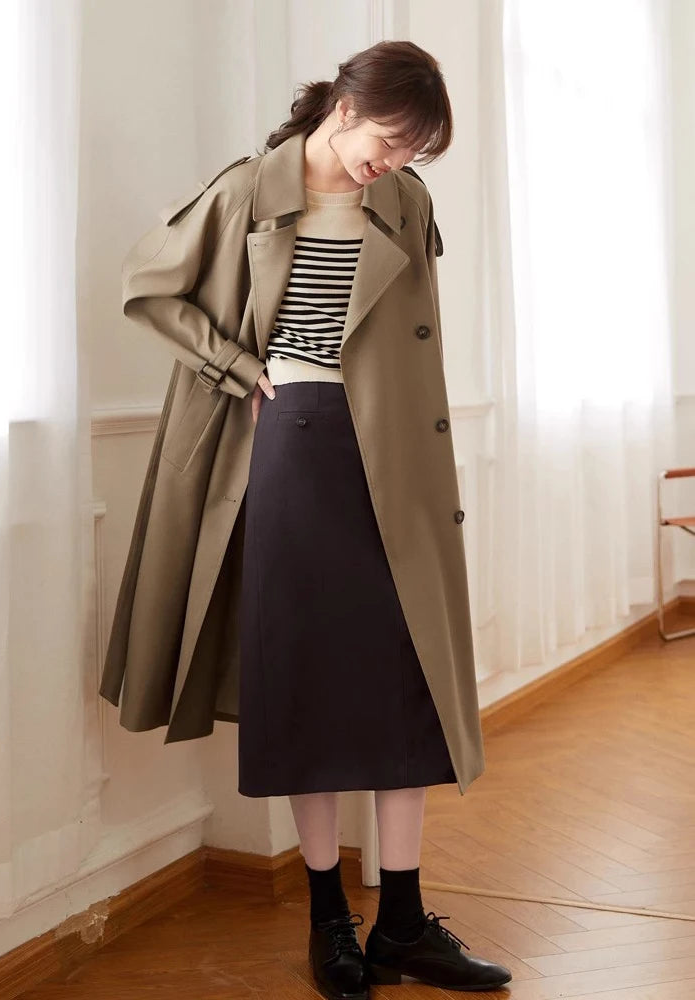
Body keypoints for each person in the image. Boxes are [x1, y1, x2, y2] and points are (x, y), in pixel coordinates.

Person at [236, 40, 513, 999]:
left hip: (391, 447)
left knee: (406, 676)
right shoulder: (250, 189)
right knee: (307, 676)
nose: (391, 162)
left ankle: (402, 920)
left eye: (411, 151)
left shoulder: (405, 201)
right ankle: (330, 921)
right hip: (296, 438)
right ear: (346, 106)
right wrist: (236, 368)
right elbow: (154, 287)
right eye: (389, 140)